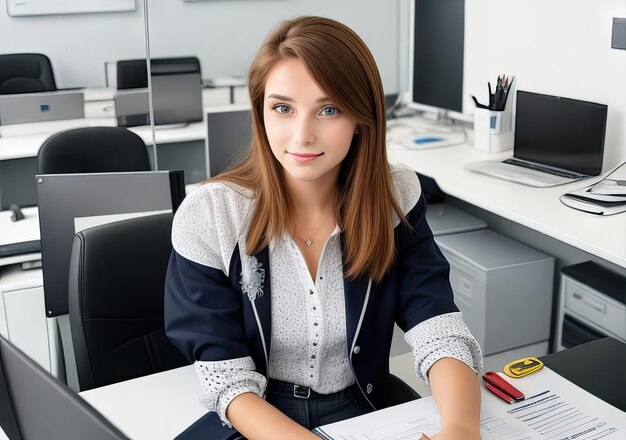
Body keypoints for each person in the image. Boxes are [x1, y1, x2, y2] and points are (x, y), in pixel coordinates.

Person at [164, 16, 482, 440]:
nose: (302, 135)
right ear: (260, 113)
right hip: (256, 418)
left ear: (360, 117)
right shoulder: (211, 214)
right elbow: (228, 382)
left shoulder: (394, 195)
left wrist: (461, 427)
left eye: (328, 109)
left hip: (365, 406)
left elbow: (437, 325)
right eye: (282, 108)